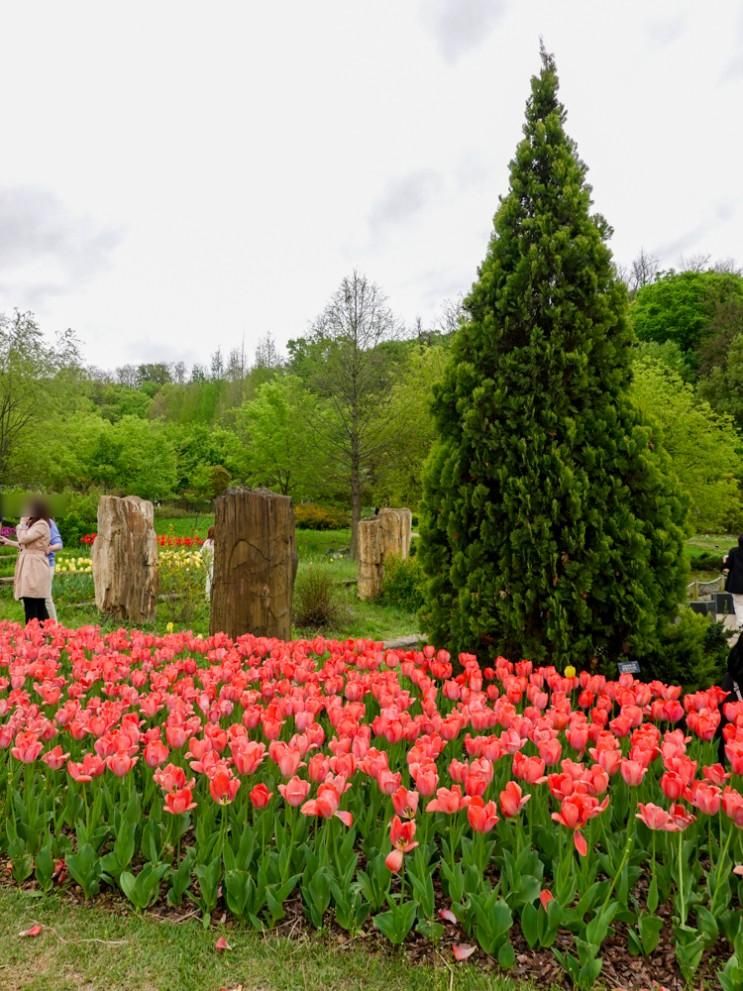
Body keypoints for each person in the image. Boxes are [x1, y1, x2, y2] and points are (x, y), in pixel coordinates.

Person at [0, 497, 52, 624]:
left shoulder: (41, 524)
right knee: (35, 603)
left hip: (34, 567)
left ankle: (34, 636)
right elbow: (26, 545)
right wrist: (8, 542)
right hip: (31, 564)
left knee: (33, 602)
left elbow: (24, 539)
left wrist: (22, 524)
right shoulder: (35, 524)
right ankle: (45, 635)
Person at [723, 535, 743, 628]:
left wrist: (725, 562)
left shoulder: (733, 551)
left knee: (739, 605)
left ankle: (741, 625)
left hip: (736, 584)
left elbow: (728, 566)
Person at [45, 518, 63, 622]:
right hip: (32, 565)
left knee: (46, 597)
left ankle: (54, 629)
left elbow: (59, 544)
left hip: (47, 564)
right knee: (27, 598)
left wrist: (49, 549)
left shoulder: (48, 523)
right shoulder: (27, 523)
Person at [201, 526, 215, 601]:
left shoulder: (206, 542)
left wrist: (206, 560)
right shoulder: (215, 542)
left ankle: (208, 597)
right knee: (212, 580)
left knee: (208, 580)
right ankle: (211, 597)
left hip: (209, 564)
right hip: (214, 564)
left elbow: (202, 552)